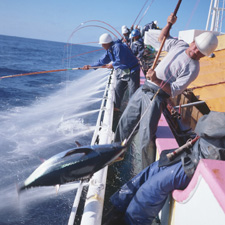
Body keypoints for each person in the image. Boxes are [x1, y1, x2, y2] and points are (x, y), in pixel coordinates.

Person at [114, 13, 218, 168]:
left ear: (204, 55)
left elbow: (173, 91)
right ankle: (114, 154)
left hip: (156, 97)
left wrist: (156, 79)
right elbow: (162, 38)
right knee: (124, 123)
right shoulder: (180, 45)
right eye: (195, 46)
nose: (195, 51)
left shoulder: (193, 69)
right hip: (144, 89)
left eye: (200, 52)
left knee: (145, 138)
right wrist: (169, 24)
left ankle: (144, 171)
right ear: (192, 42)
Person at [103, 111, 225, 225]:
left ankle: (132, 222)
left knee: (152, 188)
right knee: (154, 168)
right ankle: (118, 206)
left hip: (198, 162)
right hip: (195, 153)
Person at [82, 33, 140, 127]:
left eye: (103, 44)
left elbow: (120, 60)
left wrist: (112, 65)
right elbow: (102, 61)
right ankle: (116, 110)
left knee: (133, 92)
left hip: (133, 70)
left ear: (107, 43)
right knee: (118, 89)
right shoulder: (110, 49)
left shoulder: (118, 47)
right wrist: (90, 66)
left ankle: (134, 115)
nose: (102, 46)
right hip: (124, 71)